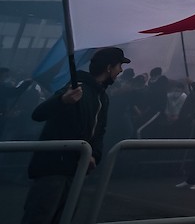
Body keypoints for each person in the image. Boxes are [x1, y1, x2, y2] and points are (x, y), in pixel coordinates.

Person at [23, 46, 129, 224]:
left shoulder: (102, 97)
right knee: (40, 217)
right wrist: (62, 100)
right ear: (109, 67)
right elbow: (38, 114)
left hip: (76, 171)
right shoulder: (76, 87)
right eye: (119, 65)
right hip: (54, 169)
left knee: (64, 217)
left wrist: (94, 155)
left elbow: (99, 131)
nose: (121, 70)